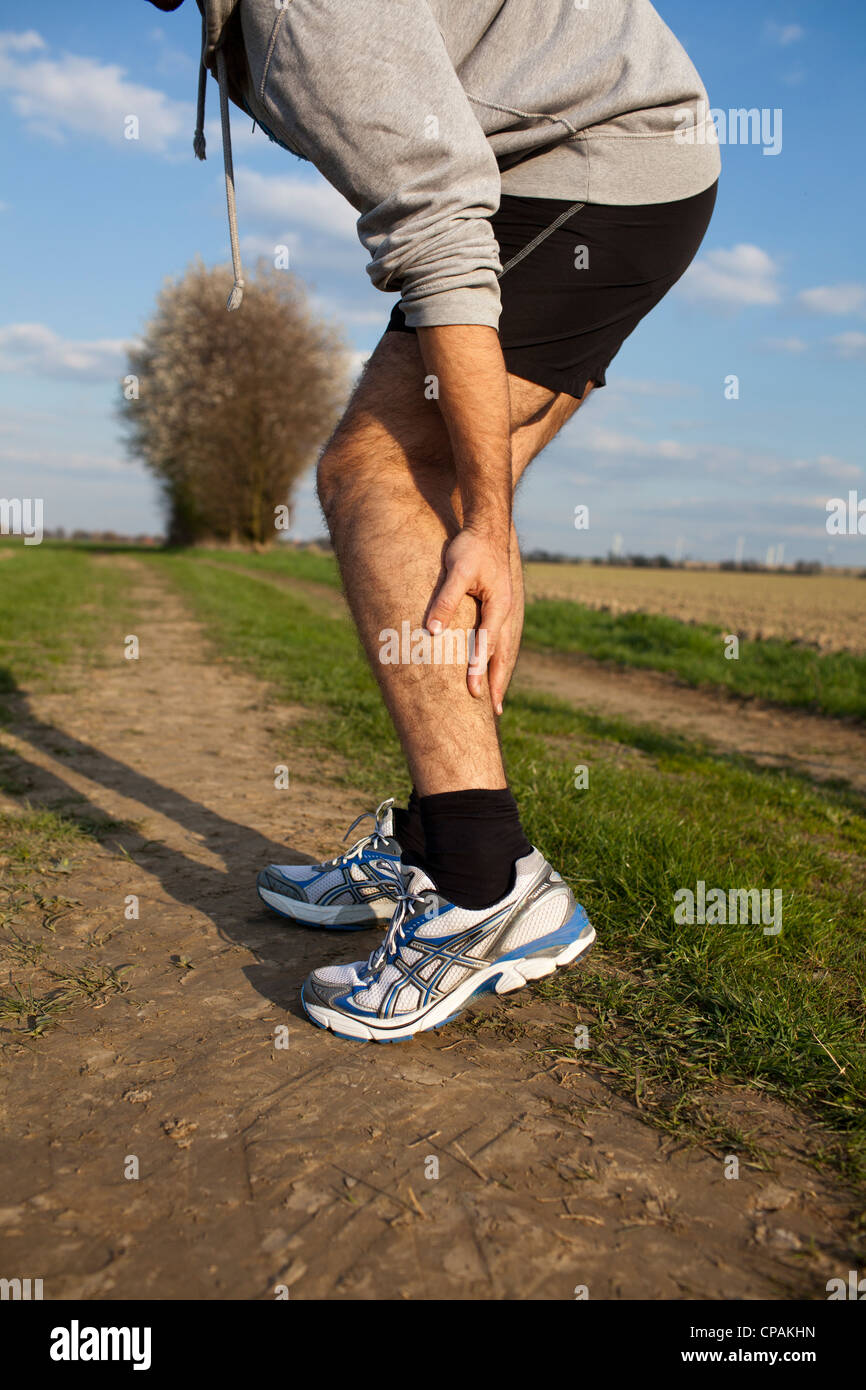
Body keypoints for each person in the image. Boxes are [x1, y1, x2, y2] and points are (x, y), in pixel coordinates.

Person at [158, 0, 721, 1041]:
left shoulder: (301, 11)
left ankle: (479, 887)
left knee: (368, 471)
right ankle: (442, 837)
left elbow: (437, 222)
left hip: (595, 164)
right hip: (582, 167)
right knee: (416, 497)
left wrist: (492, 524)